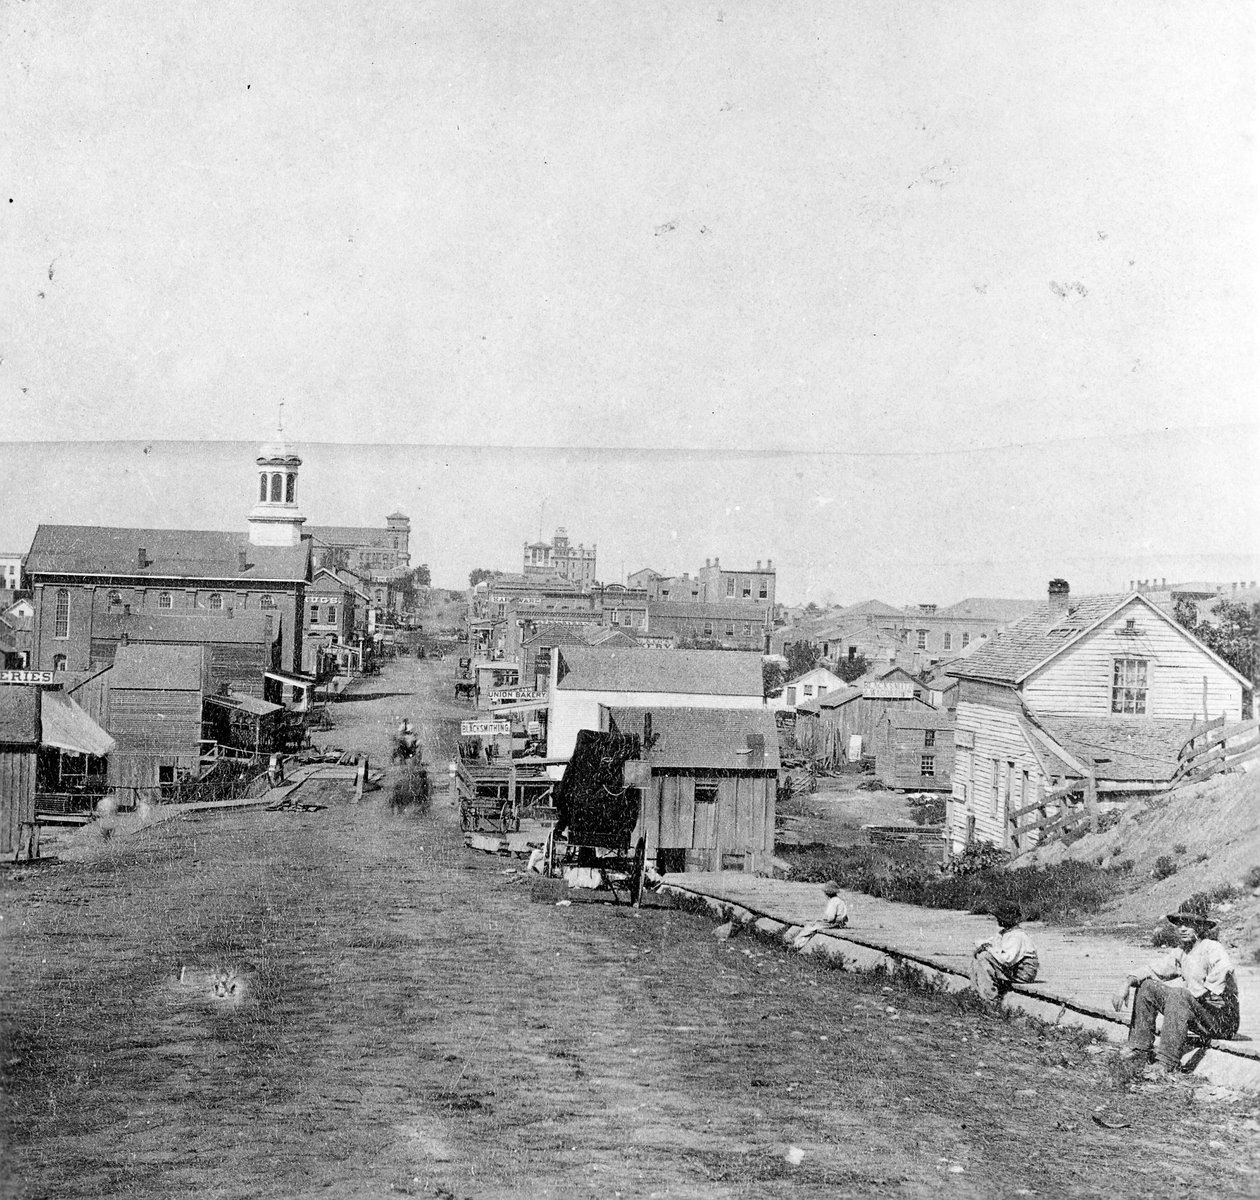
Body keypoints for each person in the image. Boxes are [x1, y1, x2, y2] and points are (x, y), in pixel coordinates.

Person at [1114, 908, 1239, 1075]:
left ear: (1201, 927)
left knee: (1180, 995)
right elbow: (1155, 969)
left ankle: (1166, 1062)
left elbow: (1224, 970)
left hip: (1221, 1017)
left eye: (1189, 924)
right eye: (1180, 925)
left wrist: (1195, 994)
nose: (1183, 929)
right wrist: (1127, 982)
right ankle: (1139, 1048)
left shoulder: (1212, 948)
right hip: (1199, 1012)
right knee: (1148, 987)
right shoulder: (1182, 951)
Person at [969, 903, 1039, 1004]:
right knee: (978, 955)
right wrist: (984, 945)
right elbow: (991, 943)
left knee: (984, 957)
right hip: (1014, 968)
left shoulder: (1017, 936)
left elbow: (1007, 959)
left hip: (1023, 971)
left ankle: (990, 998)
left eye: (999, 917)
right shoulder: (1005, 933)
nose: (997, 920)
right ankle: (979, 992)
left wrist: (988, 949)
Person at [793, 881, 850, 949]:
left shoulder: (833, 902)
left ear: (827, 893)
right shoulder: (839, 900)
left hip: (834, 923)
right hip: (841, 923)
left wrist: (824, 920)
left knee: (811, 927)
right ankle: (797, 943)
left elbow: (831, 918)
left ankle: (797, 944)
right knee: (813, 925)